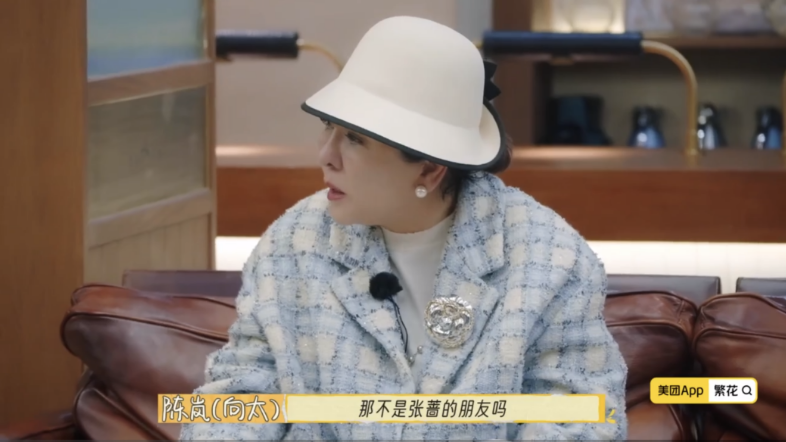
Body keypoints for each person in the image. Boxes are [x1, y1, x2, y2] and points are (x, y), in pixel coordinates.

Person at [181, 15, 628, 441]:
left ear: (430, 170)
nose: (325, 155)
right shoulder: (293, 242)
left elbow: (579, 420)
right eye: (328, 126)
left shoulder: (548, 259)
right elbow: (238, 396)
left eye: (354, 139)